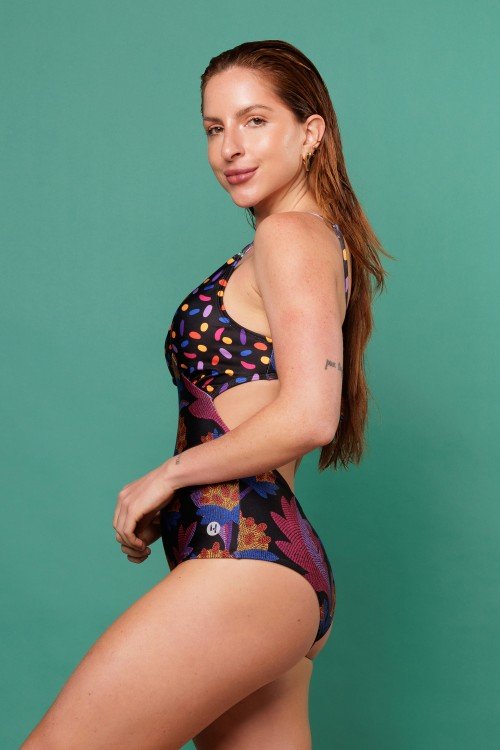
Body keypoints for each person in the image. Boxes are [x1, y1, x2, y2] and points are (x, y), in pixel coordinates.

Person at [22, 39, 390, 750]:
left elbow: (312, 414)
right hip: (259, 562)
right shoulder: (308, 241)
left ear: (311, 132)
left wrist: (167, 476)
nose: (230, 148)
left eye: (255, 121)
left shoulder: (290, 234)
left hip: (244, 555)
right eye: (214, 128)